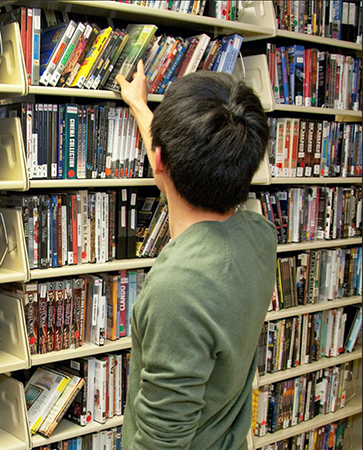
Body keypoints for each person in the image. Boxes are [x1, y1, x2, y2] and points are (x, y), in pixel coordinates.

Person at [115, 62, 277, 450]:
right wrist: (139, 107)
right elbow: (175, 163)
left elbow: (161, 441)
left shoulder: (178, 289)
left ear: (158, 160)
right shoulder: (260, 237)